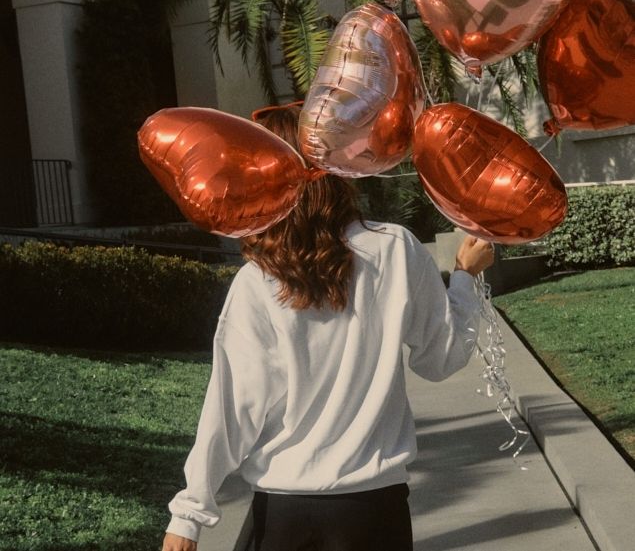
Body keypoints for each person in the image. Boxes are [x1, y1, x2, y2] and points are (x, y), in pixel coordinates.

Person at [162, 104, 494, 551]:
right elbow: (442, 358)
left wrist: (188, 515)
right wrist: (466, 278)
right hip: (375, 514)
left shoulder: (258, 279)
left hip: (285, 512)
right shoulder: (395, 249)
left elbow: (234, 406)